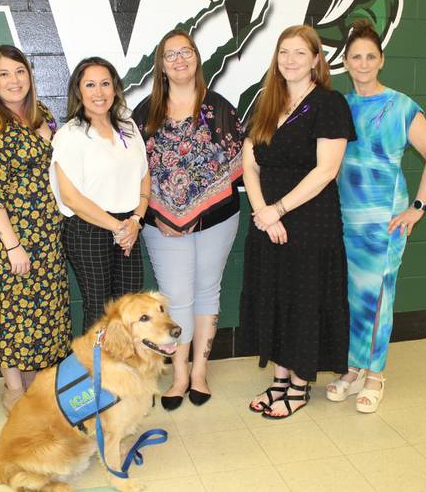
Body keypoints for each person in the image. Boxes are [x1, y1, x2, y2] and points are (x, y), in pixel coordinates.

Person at [326, 19, 426, 413]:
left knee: (379, 298)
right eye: (356, 57)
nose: (362, 64)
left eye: (370, 57)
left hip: (386, 222)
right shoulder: (340, 105)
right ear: (346, 61)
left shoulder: (400, 105)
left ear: (382, 60)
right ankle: (355, 368)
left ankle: (376, 374)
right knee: (355, 297)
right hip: (347, 221)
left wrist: (417, 209)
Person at [240, 25, 356, 419]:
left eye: (300, 53)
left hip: (310, 222)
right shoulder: (267, 102)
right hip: (267, 219)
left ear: (316, 60)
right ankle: (279, 379)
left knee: (304, 300)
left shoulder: (329, 104)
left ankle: (300, 385)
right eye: (283, 52)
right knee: (275, 296)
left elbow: (326, 170)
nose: (289, 60)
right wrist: (262, 212)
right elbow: (249, 164)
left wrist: (280, 209)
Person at [132, 30, 243, 410]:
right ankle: (178, 375)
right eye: (170, 55)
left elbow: (237, 169)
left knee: (207, 290)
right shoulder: (145, 113)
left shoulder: (221, 108)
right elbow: (134, 172)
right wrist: (155, 212)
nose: (179, 60)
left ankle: (199, 372)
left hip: (217, 220)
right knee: (175, 296)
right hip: (160, 224)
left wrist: (200, 213)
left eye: (186, 52)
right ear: (160, 65)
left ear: (197, 58)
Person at [0, 45, 72, 414]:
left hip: (45, 236)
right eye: (4, 74)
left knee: (42, 314)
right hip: (7, 241)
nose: (14, 81)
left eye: (19, 71)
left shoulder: (40, 114)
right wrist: (13, 246)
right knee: (11, 315)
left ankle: (37, 389)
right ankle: (14, 391)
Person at [50, 57, 149, 329]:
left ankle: (122, 370)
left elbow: (144, 176)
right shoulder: (70, 134)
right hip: (89, 230)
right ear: (78, 91)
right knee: (99, 308)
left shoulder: (127, 126)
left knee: (128, 307)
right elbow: (71, 198)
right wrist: (118, 227)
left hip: (129, 226)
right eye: (90, 85)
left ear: (115, 88)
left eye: (105, 84)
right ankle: (96, 371)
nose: (99, 92)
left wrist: (136, 221)